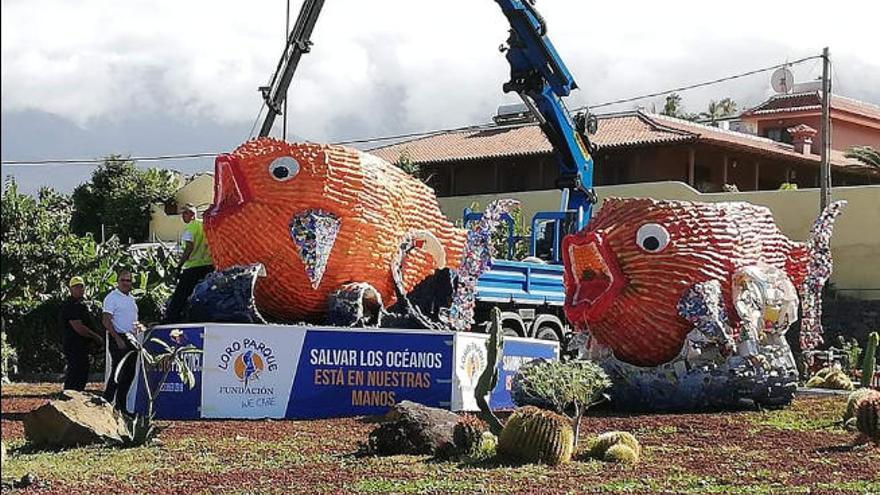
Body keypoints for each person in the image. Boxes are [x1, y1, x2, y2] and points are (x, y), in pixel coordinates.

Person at [163, 203, 214, 323]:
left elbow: (189, 247)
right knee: (203, 293)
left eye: (184, 213)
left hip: (193, 266)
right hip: (208, 265)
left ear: (191, 215)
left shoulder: (190, 228)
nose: (182, 217)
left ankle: (171, 319)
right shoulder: (204, 225)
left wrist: (179, 264)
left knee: (180, 295)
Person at [102, 269, 142, 413]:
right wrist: (117, 338)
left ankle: (121, 407)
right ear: (117, 281)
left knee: (129, 374)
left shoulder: (131, 299)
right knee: (117, 373)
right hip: (118, 337)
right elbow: (106, 320)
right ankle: (105, 404)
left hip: (131, 338)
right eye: (123, 280)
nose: (126, 283)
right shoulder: (112, 298)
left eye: (128, 280)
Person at [59, 276, 103, 391]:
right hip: (74, 345)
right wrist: (96, 337)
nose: (79, 289)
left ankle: (76, 397)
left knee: (81, 373)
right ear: (70, 289)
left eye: (81, 286)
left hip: (82, 346)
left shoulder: (82, 304)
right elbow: (78, 327)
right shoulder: (71, 305)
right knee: (75, 373)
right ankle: (69, 397)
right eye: (76, 287)